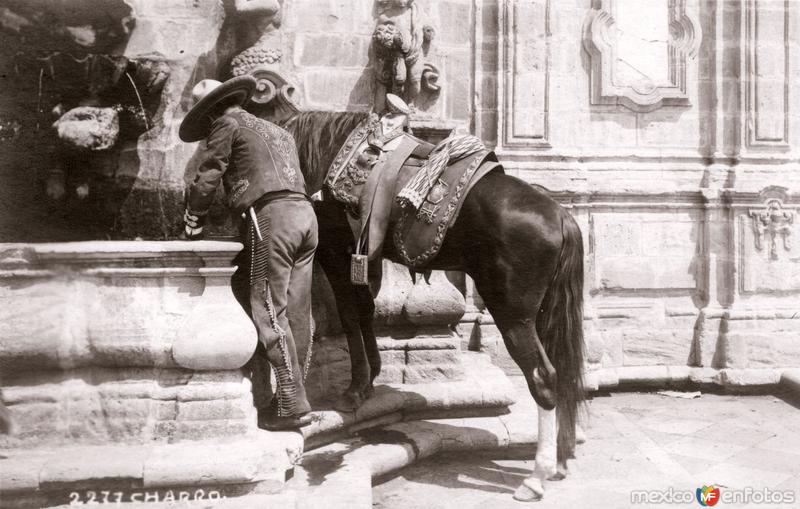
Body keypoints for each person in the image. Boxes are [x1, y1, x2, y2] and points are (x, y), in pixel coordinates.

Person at [178, 76, 316, 430]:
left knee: (268, 309)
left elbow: (209, 174)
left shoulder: (225, 123)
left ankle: (290, 404)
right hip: (304, 216)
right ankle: (299, 395)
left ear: (209, 112)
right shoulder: (275, 129)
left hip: (271, 217)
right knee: (296, 309)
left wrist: (194, 219)